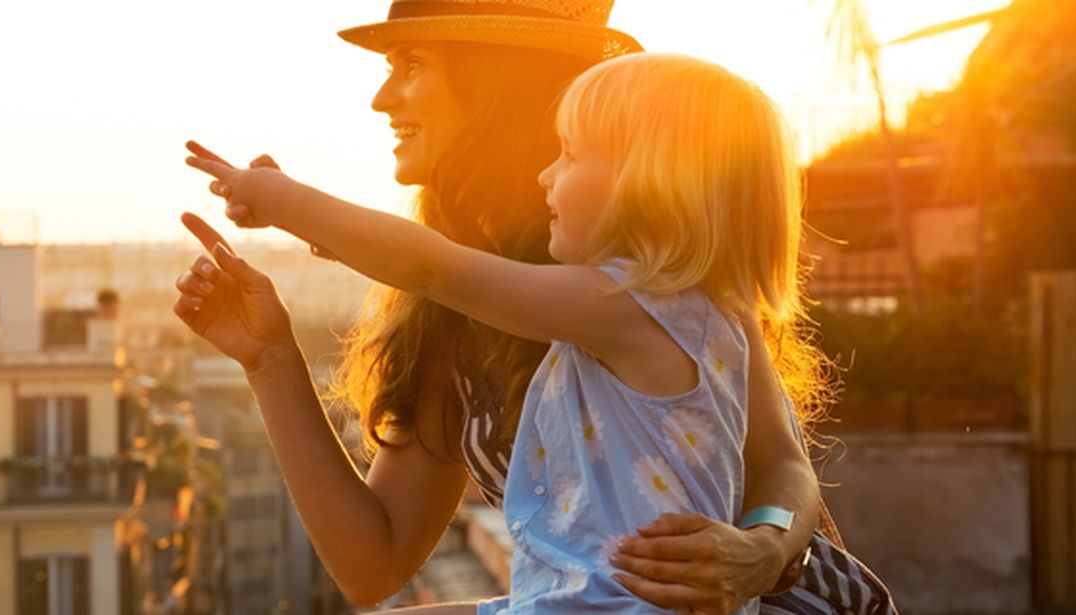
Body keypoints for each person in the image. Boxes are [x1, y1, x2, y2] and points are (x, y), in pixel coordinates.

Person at [168, 1, 896, 613]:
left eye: (411, 65)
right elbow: (373, 562)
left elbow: (783, 466)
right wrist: (270, 358)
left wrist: (762, 549)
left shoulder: (648, 286)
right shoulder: (455, 309)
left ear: (497, 87)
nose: (382, 99)